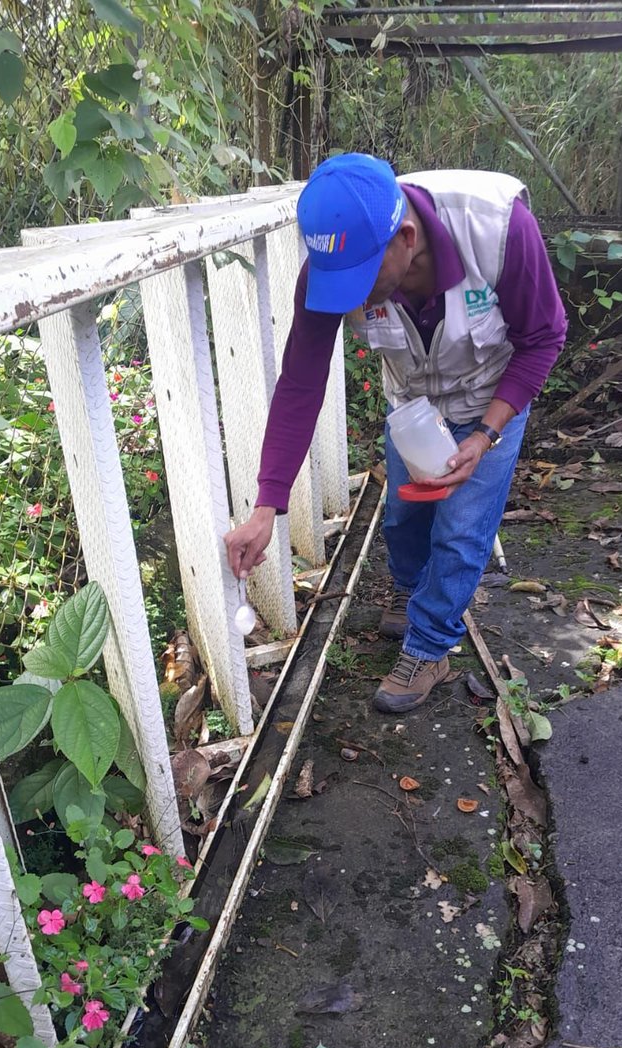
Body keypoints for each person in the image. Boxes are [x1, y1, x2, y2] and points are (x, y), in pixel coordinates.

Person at [225, 154, 567, 714]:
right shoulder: (332, 266)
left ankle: (430, 645)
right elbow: (301, 382)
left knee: (461, 530)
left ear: (406, 238)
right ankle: (417, 600)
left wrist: (484, 435)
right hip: (412, 402)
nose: (352, 300)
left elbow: (544, 338)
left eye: (363, 283)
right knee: (404, 519)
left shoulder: (499, 227)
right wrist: (268, 507)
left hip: (492, 394)